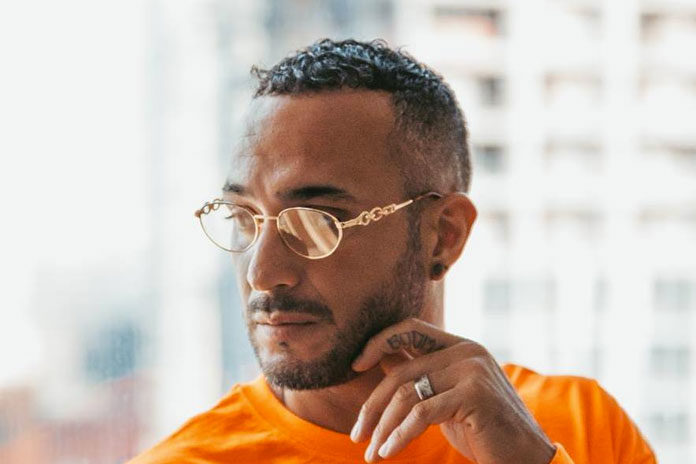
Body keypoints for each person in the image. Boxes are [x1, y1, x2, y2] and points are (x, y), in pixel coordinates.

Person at [129, 39, 656, 463]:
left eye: (315, 222)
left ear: (443, 235)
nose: (262, 273)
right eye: (243, 218)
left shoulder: (581, 427)